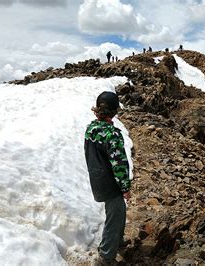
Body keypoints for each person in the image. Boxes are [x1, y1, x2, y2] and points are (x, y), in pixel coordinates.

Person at [84, 91, 131, 265]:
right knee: (115, 215)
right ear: (114, 111)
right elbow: (119, 165)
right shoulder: (112, 134)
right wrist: (125, 187)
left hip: (97, 178)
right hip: (110, 183)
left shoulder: (91, 129)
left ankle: (116, 242)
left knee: (117, 212)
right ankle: (106, 256)